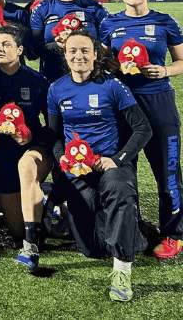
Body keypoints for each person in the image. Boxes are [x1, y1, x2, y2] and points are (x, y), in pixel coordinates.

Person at [46, 29, 151, 301]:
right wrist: (62, 159)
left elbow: (142, 129)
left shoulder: (112, 85)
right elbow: (55, 136)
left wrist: (117, 160)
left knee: (120, 191)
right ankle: (133, 234)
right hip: (78, 171)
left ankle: (123, 271)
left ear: (95, 54)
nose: (78, 56)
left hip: (110, 165)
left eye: (84, 51)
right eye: (73, 51)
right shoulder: (57, 89)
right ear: (65, 55)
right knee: (92, 248)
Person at [100, 0, 183, 259]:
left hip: (159, 103)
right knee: (125, 170)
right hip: (123, 106)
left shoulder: (165, 21)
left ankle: (173, 233)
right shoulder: (110, 24)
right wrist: (116, 67)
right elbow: (105, 62)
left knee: (167, 170)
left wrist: (164, 71)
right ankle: (129, 228)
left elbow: (182, 61)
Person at [0, 26, 53, 270]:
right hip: (0, 154)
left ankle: (32, 241)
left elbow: (52, 127)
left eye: (6, 45)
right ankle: (40, 199)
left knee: (27, 166)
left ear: (20, 50)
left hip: (31, 148)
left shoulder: (37, 81)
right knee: (16, 231)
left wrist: (31, 134)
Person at [30, 0, 109, 82]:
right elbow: (34, 51)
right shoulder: (42, 9)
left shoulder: (95, 8)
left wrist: (83, 41)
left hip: (90, 79)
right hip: (53, 79)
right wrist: (57, 46)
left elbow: (108, 45)